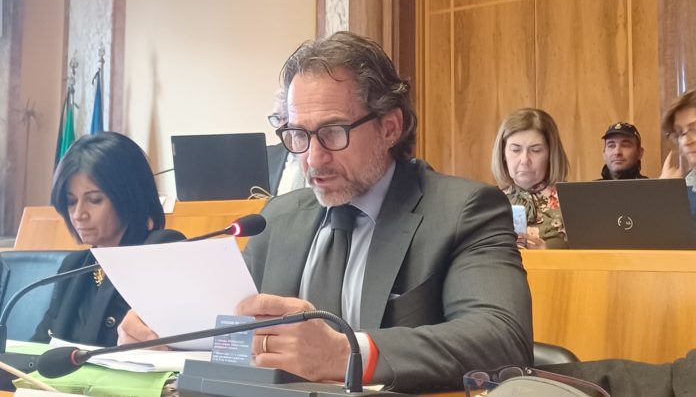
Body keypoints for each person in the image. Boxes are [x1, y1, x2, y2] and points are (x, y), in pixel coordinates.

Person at [119, 31, 533, 393]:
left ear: (390, 127)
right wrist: (172, 334)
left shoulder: (464, 211)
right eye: (298, 134)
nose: (313, 159)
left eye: (333, 132)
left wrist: (345, 352)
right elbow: (240, 336)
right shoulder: (277, 218)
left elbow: (502, 338)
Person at [32, 131, 184, 347]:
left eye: (94, 200)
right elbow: (38, 346)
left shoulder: (161, 250)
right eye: (71, 201)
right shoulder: (73, 266)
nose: (78, 214)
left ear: (128, 197)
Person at [491, 108, 569, 249]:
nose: (524, 160)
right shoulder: (487, 203)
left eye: (536, 150)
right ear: (503, 154)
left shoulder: (572, 203)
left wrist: (550, 256)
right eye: (516, 150)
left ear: (550, 154)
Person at [660, 88, 696, 217]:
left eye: (694, 129)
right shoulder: (683, 184)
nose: (685, 141)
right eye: (680, 133)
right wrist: (665, 193)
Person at [266, 89, 305, 195]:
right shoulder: (267, 156)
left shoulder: (323, 154)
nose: (281, 126)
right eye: (277, 118)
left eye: (287, 118)